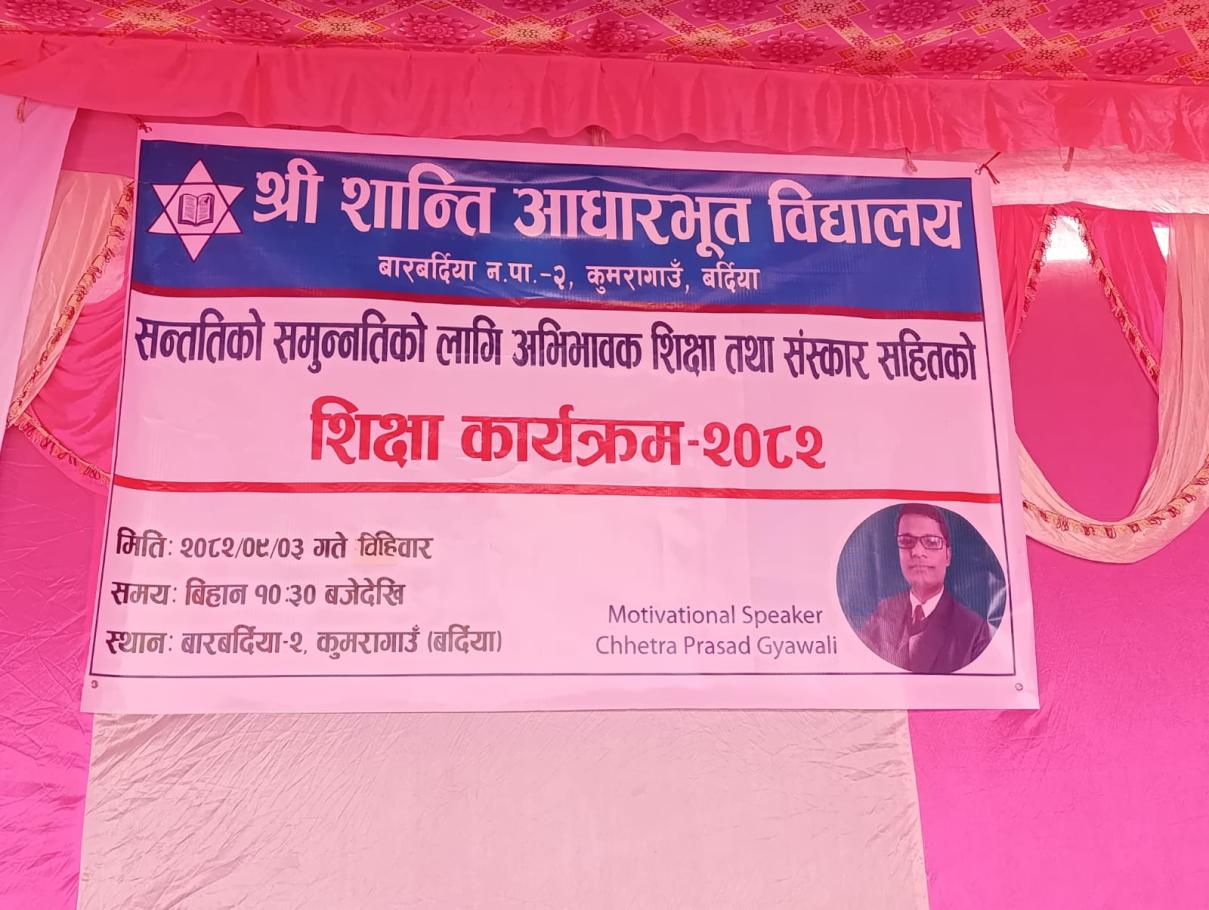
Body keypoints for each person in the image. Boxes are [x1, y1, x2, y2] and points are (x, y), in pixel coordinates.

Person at [858, 503, 991, 674]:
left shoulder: (974, 631)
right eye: (906, 541)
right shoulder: (882, 613)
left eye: (931, 542)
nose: (917, 552)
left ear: (948, 556)